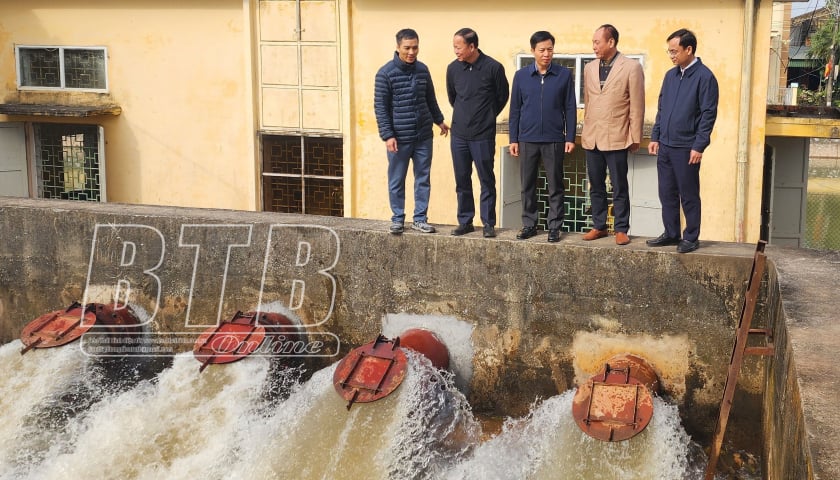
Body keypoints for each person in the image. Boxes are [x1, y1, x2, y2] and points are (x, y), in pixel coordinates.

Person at [647, 28, 718, 253]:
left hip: (687, 147)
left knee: (688, 194)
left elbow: (708, 114)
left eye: (674, 51)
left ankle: (691, 237)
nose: (671, 56)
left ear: (689, 49)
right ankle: (670, 233)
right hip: (666, 145)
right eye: (669, 52)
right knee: (666, 192)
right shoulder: (670, 75)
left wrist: (699, 145)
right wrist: (655, 136)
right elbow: (662, 108)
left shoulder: (705, 77)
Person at [374, 28, 449, 235]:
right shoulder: (385, 73)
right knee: (397, 179)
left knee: (423, 178)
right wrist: (387, 135)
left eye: (415, 47)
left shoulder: (423, 70)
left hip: (423, 135)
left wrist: (439, 120)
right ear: (398, 47)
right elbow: (380, 108)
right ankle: (397, 218)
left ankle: (420, 219)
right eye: (407, 47)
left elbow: (430, 98)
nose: (411, 52)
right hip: (399, 138)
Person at [508, 31, 577, 243]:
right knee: (527, 184)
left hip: (554, 138)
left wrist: (570, 137)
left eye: (550, 49)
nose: (546, 54)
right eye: (542, 50)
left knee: (555, 184)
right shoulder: (521, 76)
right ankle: (529, 224)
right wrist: (514, 138)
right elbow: (515, 110)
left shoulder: (563, 75)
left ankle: (554, 227)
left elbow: (570, 108)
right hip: (527, 138)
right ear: (533, 51)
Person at [581, 24, 645, 246]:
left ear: (611, 42)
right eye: (593, 42)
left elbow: (637, 104)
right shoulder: (589, 68)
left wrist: (635, 137)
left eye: (597, 42)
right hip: (592, 136)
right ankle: (599, 226)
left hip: (618, 135)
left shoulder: (631, 67)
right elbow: (589, 102)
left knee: (619, 185)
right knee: (596, 184)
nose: (594, 46)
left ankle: (621, 228)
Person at [446, 28, 509, 238]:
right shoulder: (453, 69)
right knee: (462, 180)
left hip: (483, 135)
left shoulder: (493, 68)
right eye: (454, 46)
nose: (456, 50)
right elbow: (453, 98)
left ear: (472, 46)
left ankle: (488, 223)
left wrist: (488, 116)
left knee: (486, 180)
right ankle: (465, 221)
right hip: (459, 136)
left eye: (459, 46)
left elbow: (502, 96)